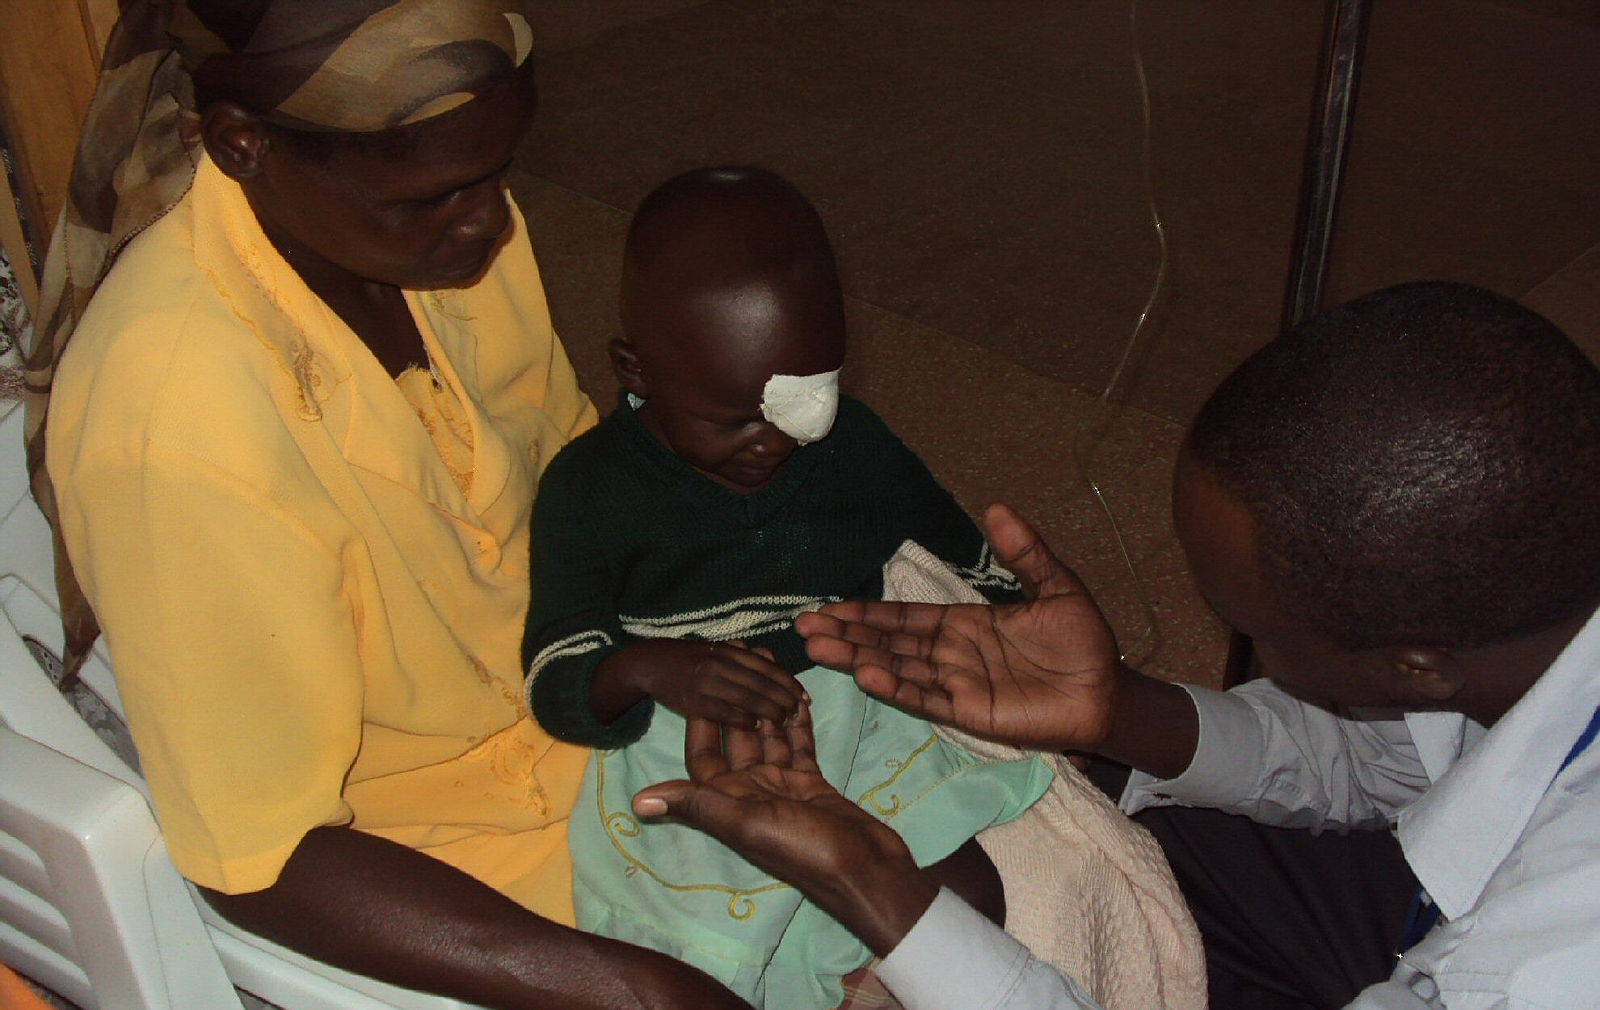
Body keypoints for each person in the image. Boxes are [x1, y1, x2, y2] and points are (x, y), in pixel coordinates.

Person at [31, 2, 749, 1006]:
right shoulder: (180, 424)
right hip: (437, 851)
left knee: (949, 845)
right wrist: (629, 986)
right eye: (438, 193)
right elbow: (266, 854)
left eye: (497, 173)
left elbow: (573, 468)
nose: (492, 220)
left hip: (590, 687)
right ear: (242, 147)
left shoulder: (441, 242)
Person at [633, 282, 1600, 1009]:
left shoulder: (1553, 957)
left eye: (1255, 631)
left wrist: (870, 886)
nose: (1237, 639)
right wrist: (1122, 711)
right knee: (1108, 861)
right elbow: (1387, 765)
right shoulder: (1514, 623)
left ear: (1419, 664)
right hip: (1428, 896)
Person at [522, 165, 1052, 1008]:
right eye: (733, 418)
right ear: (636, 368)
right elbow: (556, 677)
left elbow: (953, 545)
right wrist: (652, 666)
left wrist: (1024, 624)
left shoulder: (855, 447)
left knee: (970, 899)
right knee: (715, 949)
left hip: (857, 711)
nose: (777, 441)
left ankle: (871, 993)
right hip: (691, 740)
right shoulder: (589, 489)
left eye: (811, 401)